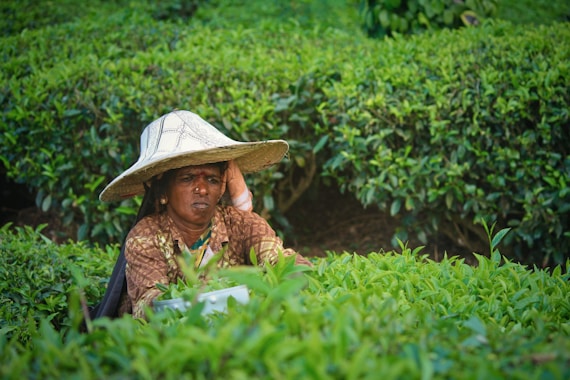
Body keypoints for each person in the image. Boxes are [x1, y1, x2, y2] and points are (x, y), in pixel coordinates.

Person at [96, 109, 312, 319]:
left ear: (221, 189)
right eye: (188, 178)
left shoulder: (243, 225)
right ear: (163, 192)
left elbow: (282, 261)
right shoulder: (146, 236)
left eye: (211, 180)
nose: (202, 189)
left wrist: (291, 278)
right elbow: (150, 305)